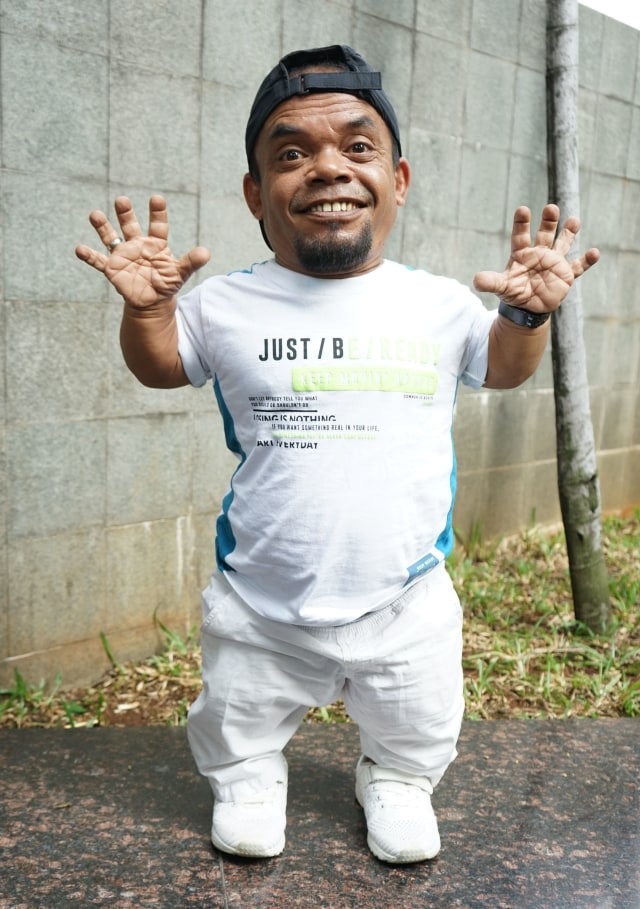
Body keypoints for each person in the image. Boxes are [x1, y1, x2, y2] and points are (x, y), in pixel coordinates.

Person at [76, 45, 599, 864]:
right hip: (262, 598)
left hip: (404, 595)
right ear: (257, 193)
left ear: (399, 178)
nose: (328, 169)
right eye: (292, 153)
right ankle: (248, 774)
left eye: (358, 147)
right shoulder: (223, 304)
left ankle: (395, 776)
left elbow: (500, 367)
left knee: (419, 714)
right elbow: (163, 366)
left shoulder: (438, 304)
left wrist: (527, 318)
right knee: (238, 712)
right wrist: (148, 312)